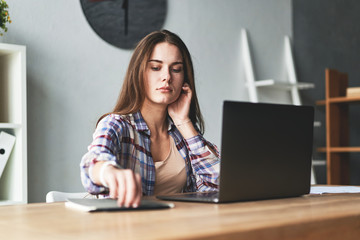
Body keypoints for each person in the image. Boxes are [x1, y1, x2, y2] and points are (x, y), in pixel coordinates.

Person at [80, 30, 220, 208]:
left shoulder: (181, 134)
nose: (167, 77)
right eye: (155, 67)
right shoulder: (116, 124)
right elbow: (92, 162)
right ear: (139, 73)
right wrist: (108, 172)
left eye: (176, 69)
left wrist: (184, 123)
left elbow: (218, 186)